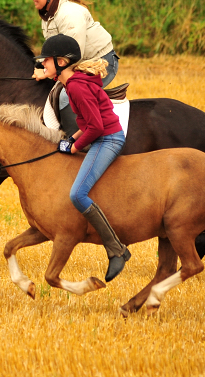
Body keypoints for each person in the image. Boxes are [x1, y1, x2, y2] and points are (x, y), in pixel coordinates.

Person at [33, 34, 131, 282]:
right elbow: (87, 123)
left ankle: (117, 249)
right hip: (100, 135)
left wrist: (75, 147)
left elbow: (96, 127)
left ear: (62, 62)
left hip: (108, 139)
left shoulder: (75, 86)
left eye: (47, 61)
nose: (43, 65)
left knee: (77, 194)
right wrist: (70, 139)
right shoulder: (72, 84)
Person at [25, 0, 120, 132]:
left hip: (101, 62)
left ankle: (79, 143)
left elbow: (71, 56)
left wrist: (47, 73)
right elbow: (55, 52)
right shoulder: (48, 16)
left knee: (66, 98)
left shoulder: (70, 14)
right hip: (77, 62)